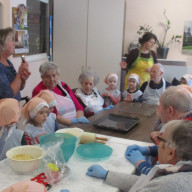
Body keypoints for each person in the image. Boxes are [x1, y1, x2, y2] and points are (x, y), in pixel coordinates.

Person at [86, 120, 192, 192]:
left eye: (159, 141)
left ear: (170, 153)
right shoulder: (182, 170)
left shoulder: (167, 185)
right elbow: (148, 182)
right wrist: (107, 174)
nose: (157, 145)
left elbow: (154, 185)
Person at [127, 86, 192, 175]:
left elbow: (160, 176)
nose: (157, 110)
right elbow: (168, 147)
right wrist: (148, 149)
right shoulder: (185, 123)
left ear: (170, 110)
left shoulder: (183, 132)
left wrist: (140, 162)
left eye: (159, 106)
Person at [32, 62, 89, 126]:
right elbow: (52, 116)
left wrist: (79, 120)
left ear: (58, 75)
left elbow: (78, 107)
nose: (52, 79)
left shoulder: (63, 86)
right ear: (42, 77)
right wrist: (71, 123)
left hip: (76, 122)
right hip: (59, 126)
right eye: (47, 76)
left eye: (54, 75)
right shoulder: (39, 91)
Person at [0, 27, 31, 101]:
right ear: (2, 44)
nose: (14, 43)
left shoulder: (8, 62)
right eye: (11, 40)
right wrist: (19, 74)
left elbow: (19, 88)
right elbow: (7, 96)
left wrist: (23, 79)